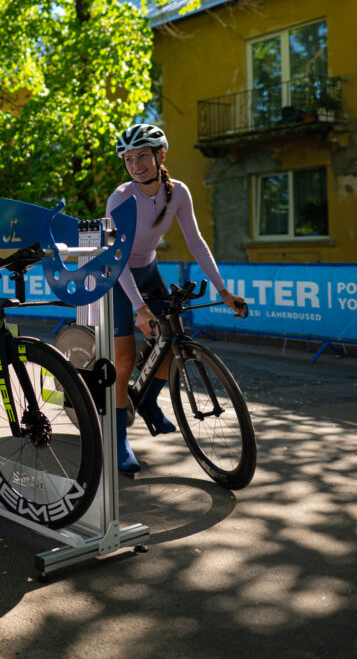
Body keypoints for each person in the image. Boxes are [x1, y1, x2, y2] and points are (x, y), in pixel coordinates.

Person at [106, 123, 248, 475]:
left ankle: (150, 402)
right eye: (128, 159)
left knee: (172, 341)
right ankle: (119, 436)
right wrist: (139, 308)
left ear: (160, 155)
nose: (135, 164)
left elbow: (196, 242)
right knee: (123, 362)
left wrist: (223, 290)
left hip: (150, 271)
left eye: (142, 156)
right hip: (118, 277)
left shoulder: (178, 192)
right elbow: (118, 257)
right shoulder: (120, 198)